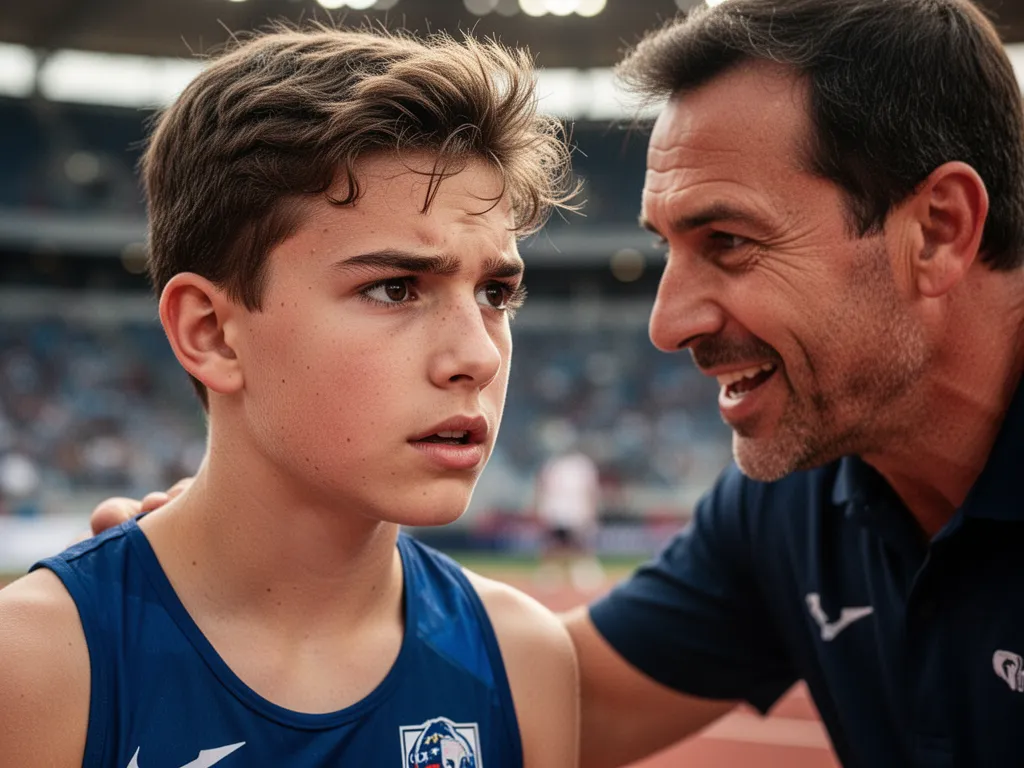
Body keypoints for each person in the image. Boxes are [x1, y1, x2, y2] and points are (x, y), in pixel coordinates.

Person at [84, 0, 1024, 765]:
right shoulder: (799, 505)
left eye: (729, 242)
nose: (667, 323)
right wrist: (249, 577)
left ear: (939, 228)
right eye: (396, 288)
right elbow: (515, 704)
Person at [0, 25, 580, 768]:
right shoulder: (34, 666)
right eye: (394, 289)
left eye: (496, 294)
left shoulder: (525, 659)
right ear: (212, 333)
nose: (478, 355)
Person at [531, 425, 605, 592]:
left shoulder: (582, 465)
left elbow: (590, 491)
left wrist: (591, 512)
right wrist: (541, 510)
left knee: (581, 546)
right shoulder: (553, 464)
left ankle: (584, 574)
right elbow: (543, 488)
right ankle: (550, 575)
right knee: (553, 546)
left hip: (577, 512)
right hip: (556, 511)